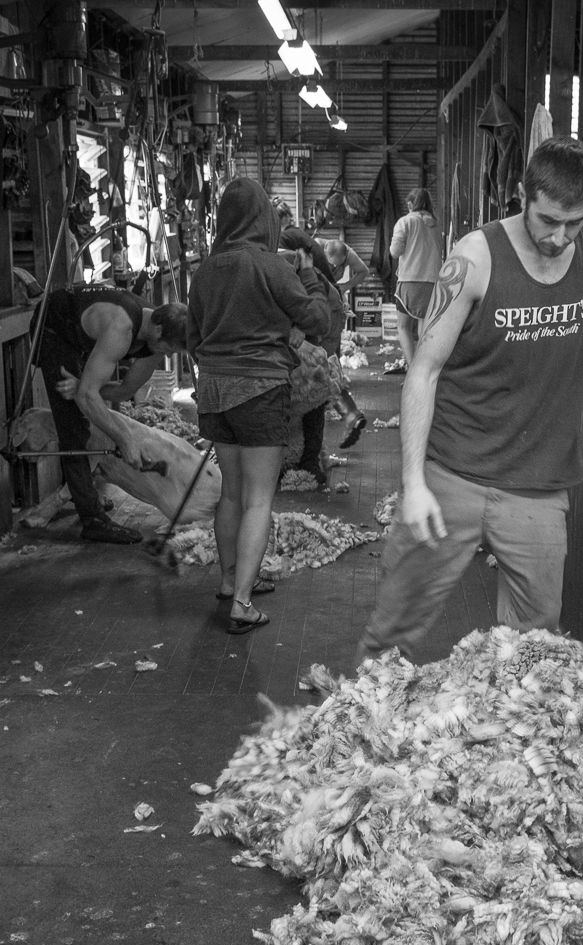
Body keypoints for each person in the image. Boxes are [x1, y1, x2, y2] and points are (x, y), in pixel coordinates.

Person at [357, 136, 583, 665]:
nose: (560, 238)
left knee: (530, 650)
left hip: (539, 485)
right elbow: (423, 371)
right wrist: (413, 483)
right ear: (521, 196)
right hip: (453, 471)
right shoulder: (474, 258)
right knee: (393, 631)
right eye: (547, 221)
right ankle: (359, 726)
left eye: (574, 222)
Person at [188, 177, 331, 634]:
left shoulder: (205, 272)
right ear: (263, 219)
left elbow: (193, 340)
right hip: (260, 391)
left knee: (231, 492)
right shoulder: (270, 266)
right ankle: (243, 604)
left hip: (212, 393)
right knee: (258, 500)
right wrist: (306, 271)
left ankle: (231, 582)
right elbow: (318, 319)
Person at [36, 285, 188, 543]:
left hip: (82, 336)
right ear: (159, 331)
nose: (170, 355)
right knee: (74, 426)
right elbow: (87, 398)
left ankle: (85, 495)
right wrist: (124, 438)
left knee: (86, 398)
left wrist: (86, 386)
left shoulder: (153, 339)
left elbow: (125, 390)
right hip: (53, 326)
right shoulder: (121, 327)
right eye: (170, 348)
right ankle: (92, 519)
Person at [273, 199, 367, 450]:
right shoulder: (296, 235)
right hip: (329, 301)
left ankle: (316, 448)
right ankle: (349, 417)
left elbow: (298, 281)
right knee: (325, 369)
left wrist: (302, 326)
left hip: (322, 304)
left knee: (317, 372)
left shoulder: (283, 241)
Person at [389, 188, 444, 367]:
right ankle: (423, 369)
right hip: (433, 282)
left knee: (403, 327)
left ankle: (412, 368)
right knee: (423, 329)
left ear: (411, 205)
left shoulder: (405, 222)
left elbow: (395, 252)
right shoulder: (436, 224)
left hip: (410, 281)